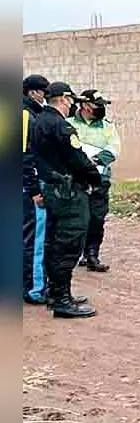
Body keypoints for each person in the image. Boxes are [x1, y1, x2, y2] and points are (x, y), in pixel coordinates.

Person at [29, 82, 102, 318]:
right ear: (63, 99)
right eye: (70, 100)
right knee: (69, 244)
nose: (72, 104)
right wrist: (94, 177)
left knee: (53, 243)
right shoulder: (61, 126)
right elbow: (78, 159)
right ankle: (62, 300)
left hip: (52, 188)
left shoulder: (39, 121)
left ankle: (56, 292)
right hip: (68, 192)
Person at [70, 89, 121, 272]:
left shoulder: (107, 126)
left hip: (100, 178)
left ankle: (92, 254)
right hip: (76, 181)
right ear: (84, 105)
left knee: (97, 218)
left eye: (102, 105)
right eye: (97, 105)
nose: (101, 108)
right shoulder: (69, 123)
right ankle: (75, 254)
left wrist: (92, 161)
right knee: (76, 219)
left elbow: (114, 149)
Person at [22, 74, 50, 304]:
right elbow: (24, 156)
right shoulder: (24, 115)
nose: (46, 95)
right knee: (33, 238)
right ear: (33, 92)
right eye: (44, 91)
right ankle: (33, 289)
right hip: (25, 187)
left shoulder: (31, 113)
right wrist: (33, 190)